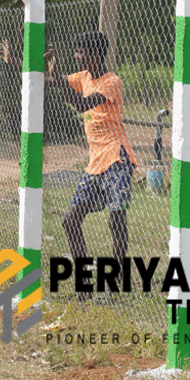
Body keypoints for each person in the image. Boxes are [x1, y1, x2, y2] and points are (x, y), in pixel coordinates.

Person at [44, 31, 137, 297]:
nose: (75, 56)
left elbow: (82, 103)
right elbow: (50, 79)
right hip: (95, 163)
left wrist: (60, 78)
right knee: (70, 220)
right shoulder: (83, 77)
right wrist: (19, 61)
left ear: (94, 56)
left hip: (117, 158)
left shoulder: (111, 82)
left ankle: (116, 281)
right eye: (75, 52)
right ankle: (83, 284)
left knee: (116, 217)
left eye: (80, 52)